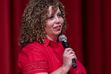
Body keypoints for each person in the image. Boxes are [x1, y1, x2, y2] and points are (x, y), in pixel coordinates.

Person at [18, 0, 86, 74]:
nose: (58, 21)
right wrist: (64, 68)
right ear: (38, 23)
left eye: (59, 15)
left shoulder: (62, 47)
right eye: (51, 17)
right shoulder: (33, 50)